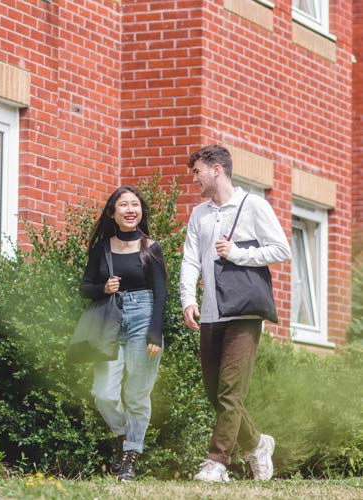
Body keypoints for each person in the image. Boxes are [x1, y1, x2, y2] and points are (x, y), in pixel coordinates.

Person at [180, 144, 290, 482]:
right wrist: (187, 298)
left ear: (216, 169)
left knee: (230, 391)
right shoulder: (199, 214)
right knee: (216, 393)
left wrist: (237, 253)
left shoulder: (253, 205)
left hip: (243, 313)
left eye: (197, 171)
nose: (194, 178)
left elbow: (281, 249)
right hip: (211, 314)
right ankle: (257, 444)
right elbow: (190, 259)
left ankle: (217, 462)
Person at [80, 186, 168, 481]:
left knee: (137, 394)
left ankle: (130, 457)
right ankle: (125, 438)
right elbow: (84, 288)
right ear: (112, 213)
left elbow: (161, 293)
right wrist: (103, 288)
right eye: (123, 205)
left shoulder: (151, 247)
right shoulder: (102, 249)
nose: (130, 210)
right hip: (110, 320)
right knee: (103, 393)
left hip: (144, 316)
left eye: (135, 205)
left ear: (141, 211)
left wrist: (155, 333)